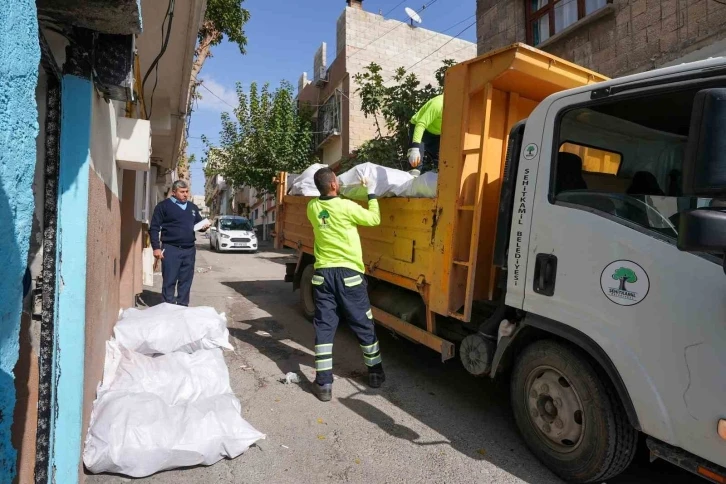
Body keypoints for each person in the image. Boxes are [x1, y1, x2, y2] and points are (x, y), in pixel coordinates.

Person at [306, 167, 384, 402]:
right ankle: (375, 373)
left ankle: (324, 384)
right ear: (332, 185)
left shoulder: (312, 208)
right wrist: (370, 192)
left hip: (323, 276)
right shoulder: (347, 207)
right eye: (336, 181)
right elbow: (374, 219)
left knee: (325, 328)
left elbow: (329, 202)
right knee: (363, 324)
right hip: (349, 275)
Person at [149, 180, 210, 306]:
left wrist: (204, 226)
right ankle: (168, 307)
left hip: (189, 250)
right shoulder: (163, 206)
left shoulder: (192, 207)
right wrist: (156, 248)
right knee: (169, 280)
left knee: (186, 281)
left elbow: (198, 223)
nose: (185, 194)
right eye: (182, 192)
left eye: (187, 192)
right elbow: (154, 228)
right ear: (174, 192)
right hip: (171, 249)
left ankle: (183, 307)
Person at [407, 94, 443, 172]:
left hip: (437, 134)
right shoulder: (438, 104)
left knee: (443, 164)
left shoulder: (460, 108)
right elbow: (421, 124)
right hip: (420, 128)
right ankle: (411, 181)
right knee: (415, 163)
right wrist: (415, 149)